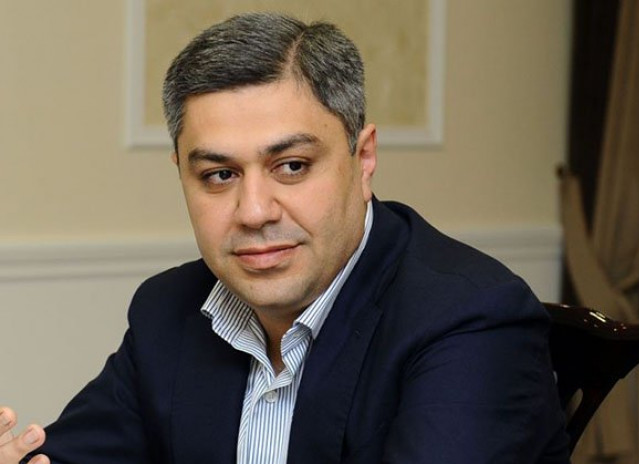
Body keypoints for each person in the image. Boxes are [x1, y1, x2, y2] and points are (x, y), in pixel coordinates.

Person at [0, 12, 569, 464]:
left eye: (292, 166)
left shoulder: (470, 320)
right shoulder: (168, 311)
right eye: (219, 175)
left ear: (363, 158)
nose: (253, 211)